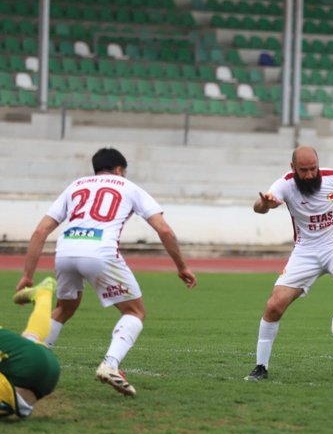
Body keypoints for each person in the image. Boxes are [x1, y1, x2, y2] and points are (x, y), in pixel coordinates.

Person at [16, 147, 197, 397]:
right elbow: (164, 231)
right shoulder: (129, 187)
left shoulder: (76, 186)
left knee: (64, 308)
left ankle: (28, 361)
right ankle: (110, 365)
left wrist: (27, 275)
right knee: (135, 311)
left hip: (65, 251)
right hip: (100, 251)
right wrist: (182, 266)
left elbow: (40, 232)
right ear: (120, 170)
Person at [244, 146, 333, 382]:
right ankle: (260, 366)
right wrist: (265, 204)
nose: (310, 175)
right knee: (274, 305)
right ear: (293, 168)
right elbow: (259, 208)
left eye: (313, 169)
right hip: (305, 252)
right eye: (304, 170)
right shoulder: (284, 184)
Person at [1, 277, 61, 419]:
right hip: (47, 370)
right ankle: (43, 294)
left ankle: (43, 294)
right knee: (31, 338)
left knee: (30, 341)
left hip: (30, 371)